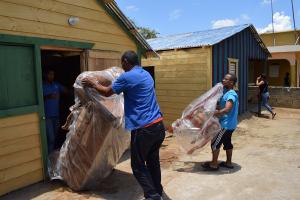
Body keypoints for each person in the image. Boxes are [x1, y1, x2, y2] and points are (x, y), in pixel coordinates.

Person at [82, 50, 165, 200]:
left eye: (122, 63)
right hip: (158, 126)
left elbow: (107, 92)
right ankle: (157, 190)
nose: (122, 66)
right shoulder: (146, 74)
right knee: (153, 162)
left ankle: (153, 197)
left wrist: (94, 83)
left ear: (126, 61)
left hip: (144, 128)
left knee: (138, 166)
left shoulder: (127, 77)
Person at [201, 73, 239, 170]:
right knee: (227, 142)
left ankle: (214, 164)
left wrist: (214, 113)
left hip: (225, 125)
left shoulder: (231, 94)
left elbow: (227, 109)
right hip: (231, 124)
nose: (223, 80)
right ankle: (228, 163)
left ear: (231, 82)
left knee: (215, 143)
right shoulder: (229, 93)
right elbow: (223, 107)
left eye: (225, 79)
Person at [43, 69, 66, 154]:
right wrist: (48, 96)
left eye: (52, 74)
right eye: (49, 74)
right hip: (46, 116)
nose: (51, 76)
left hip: (56, 116)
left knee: (55, 137)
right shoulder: (42, 85)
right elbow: (38, 98)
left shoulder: (56, 85)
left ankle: (52, 155)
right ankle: (49, 158)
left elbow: (66, 91)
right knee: (51, 138)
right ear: (45, 75)